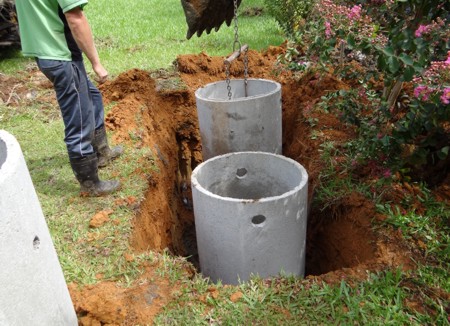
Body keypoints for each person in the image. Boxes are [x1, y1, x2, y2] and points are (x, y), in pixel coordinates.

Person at [15, 0, 123, 196]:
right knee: (80, 118)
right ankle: (90, 184)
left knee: (93, 96)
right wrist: (96, 63)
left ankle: (101, 152)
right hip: (61, 55)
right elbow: (76, 19)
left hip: (45, 52)